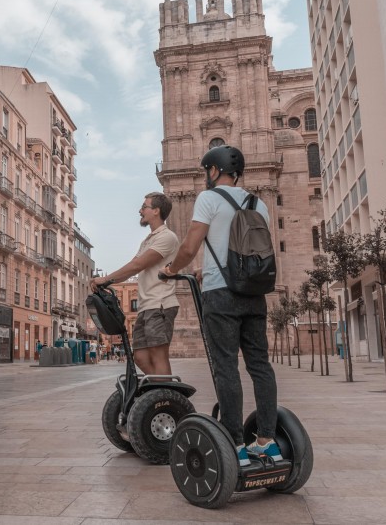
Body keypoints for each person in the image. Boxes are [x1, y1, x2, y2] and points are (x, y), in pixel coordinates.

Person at [163, 145, 281, 467]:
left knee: (226, 366)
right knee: (260, 366)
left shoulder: (208, 198)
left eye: (207, 171)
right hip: (254, 294)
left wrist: (172, 270)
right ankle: (267, 440)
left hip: (221, 294)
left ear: (214, 171)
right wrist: (206, 269)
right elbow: (245, 251)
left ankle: (235, 442)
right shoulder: (260, 203)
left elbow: (190, 245)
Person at [91, 192, 180, 379]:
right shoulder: (148, 240)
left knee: (158, 355)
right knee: (139, 356)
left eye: (144, 207)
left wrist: (106, 280)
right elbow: (133, 264)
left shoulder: (167, 237)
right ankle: (163, 390)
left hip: (161, 304)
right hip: (147, 306)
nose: (140, 211)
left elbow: (138, 265)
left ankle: (166, 396)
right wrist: (111, 281)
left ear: (156, 211)